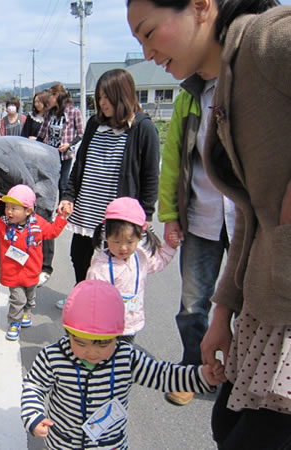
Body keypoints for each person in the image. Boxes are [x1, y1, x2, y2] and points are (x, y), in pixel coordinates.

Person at [127, 1, 291, 447]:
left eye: (148, 32)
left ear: (201, 6)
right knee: (225, 425)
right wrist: (224, 311)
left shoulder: (264, 40)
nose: (146, 53)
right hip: (261, 306)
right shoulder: (212, 87)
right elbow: (252, 216)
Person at [21, 280, 225, 449]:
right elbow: (34, 385)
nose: (92, 352)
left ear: (118, 335)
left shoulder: (126, 358)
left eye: (103, 344)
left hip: (110, 444)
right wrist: (34, 415)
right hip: (63, 443)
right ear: (68, 333)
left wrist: (200, 377)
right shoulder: (54, 356)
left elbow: (162, 375)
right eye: (80, 343)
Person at [158, 71, 236, 406]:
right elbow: (173, 159)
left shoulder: (247, 78)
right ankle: (194, 371)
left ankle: (239, 377)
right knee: (193, 304)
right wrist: (169, 214)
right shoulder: (189, 97)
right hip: (201, 214)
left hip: (247, 218)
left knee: (250, 305)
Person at [56, 69, 160, 307]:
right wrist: (69, 195)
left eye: (107, 97)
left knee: (114, 263)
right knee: (79, 256)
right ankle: (83, 299)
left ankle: (107, 307)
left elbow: (150, 176)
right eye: (99, 97)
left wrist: (146, 213)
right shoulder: (95, 124)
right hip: (87, 205)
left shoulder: (143, 128)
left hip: (116, 213)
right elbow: (80, 163)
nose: (102, 103)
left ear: (123, 96)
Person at [0, 185, 70, 340]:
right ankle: (14, 322)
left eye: (14, 208)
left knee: (30, 298)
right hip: (12, 273)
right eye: (7, 207)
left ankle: (27, 312)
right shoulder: (2, 225)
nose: (9, 212)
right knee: (18, 300)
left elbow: (52, 232)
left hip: (32, 271)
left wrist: (61, 218)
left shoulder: (38, 224)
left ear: (28, 211)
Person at [87, 197, 178, 343]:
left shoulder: (141, 256)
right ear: (106, 237)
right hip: (107, 326)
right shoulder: (100, 268)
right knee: (106, 355)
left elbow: (158, 262)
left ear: (140, 237)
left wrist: (171, 246)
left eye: (130, 242)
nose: (123, 248)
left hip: (131, 324)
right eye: (116, 241)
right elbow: (92, 299)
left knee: (126, 353)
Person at [0, 136, 61, 286]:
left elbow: (26, 183)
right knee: (11, 220)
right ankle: (12, 261)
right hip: (23, 168)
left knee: (41, 218)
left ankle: (45, 268)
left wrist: (28, 215)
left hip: (42, 165)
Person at [37, 84, 84, 197]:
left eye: (50, 96)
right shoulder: (49, 113)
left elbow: (81, 133)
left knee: (63, 183)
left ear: (56, 95)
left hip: (65, 154)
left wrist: (69, 144)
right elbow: (42, 133)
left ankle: (62, 206)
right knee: (49, 183)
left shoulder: (73, 112)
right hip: (50, 153)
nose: (48, 99)